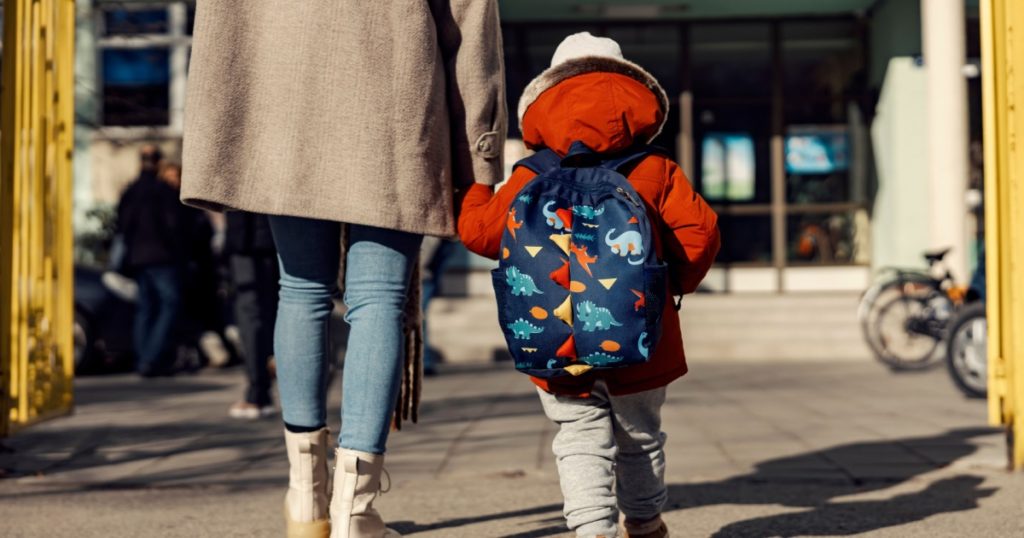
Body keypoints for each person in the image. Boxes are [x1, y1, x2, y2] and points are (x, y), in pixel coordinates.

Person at [179, 2, 506, 537]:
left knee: (300, 290)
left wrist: (226, 119)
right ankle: (354, 511)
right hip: (392, 98)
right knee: (378, 298)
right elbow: (471, 22)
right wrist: (482, 147)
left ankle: (306, 501)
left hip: (283, 104)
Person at [458, 33, 721, 538]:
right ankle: (644, 525)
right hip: (643, 330)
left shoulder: (529, 175)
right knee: (640, 436)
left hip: (550, 333)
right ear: (636, 100)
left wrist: (475, 185)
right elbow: (701, 234)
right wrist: (673, 287)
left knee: (578, 434)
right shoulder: (656, 169)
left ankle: (591, 530)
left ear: (543, 104)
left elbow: (479, 232)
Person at [117, 145, 187, 377]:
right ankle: (150, 357)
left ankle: (145, 358)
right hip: (161, 257)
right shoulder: (162, 191)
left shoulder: (131, 190)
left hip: (138, 258)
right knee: (170, 305)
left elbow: (122, 226)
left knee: (146, 308)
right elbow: (174, 225)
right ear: (157, 163)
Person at [224, 210, 280, 419]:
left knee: (250, 309)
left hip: (248, 236)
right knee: (290, 301)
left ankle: (258, 391)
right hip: (283, 227)